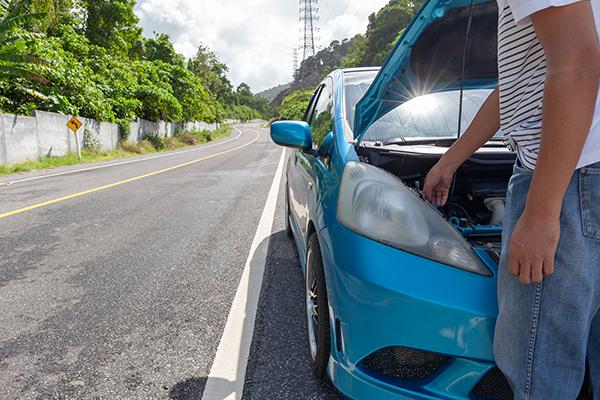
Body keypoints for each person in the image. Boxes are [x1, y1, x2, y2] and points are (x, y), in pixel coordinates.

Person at [422, 0, 600, 398]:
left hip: (569, 178)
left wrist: (540, 212)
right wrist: (452, 159)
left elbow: (577, 64)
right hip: (583, 176)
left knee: (540, 377)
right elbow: (520, 83)